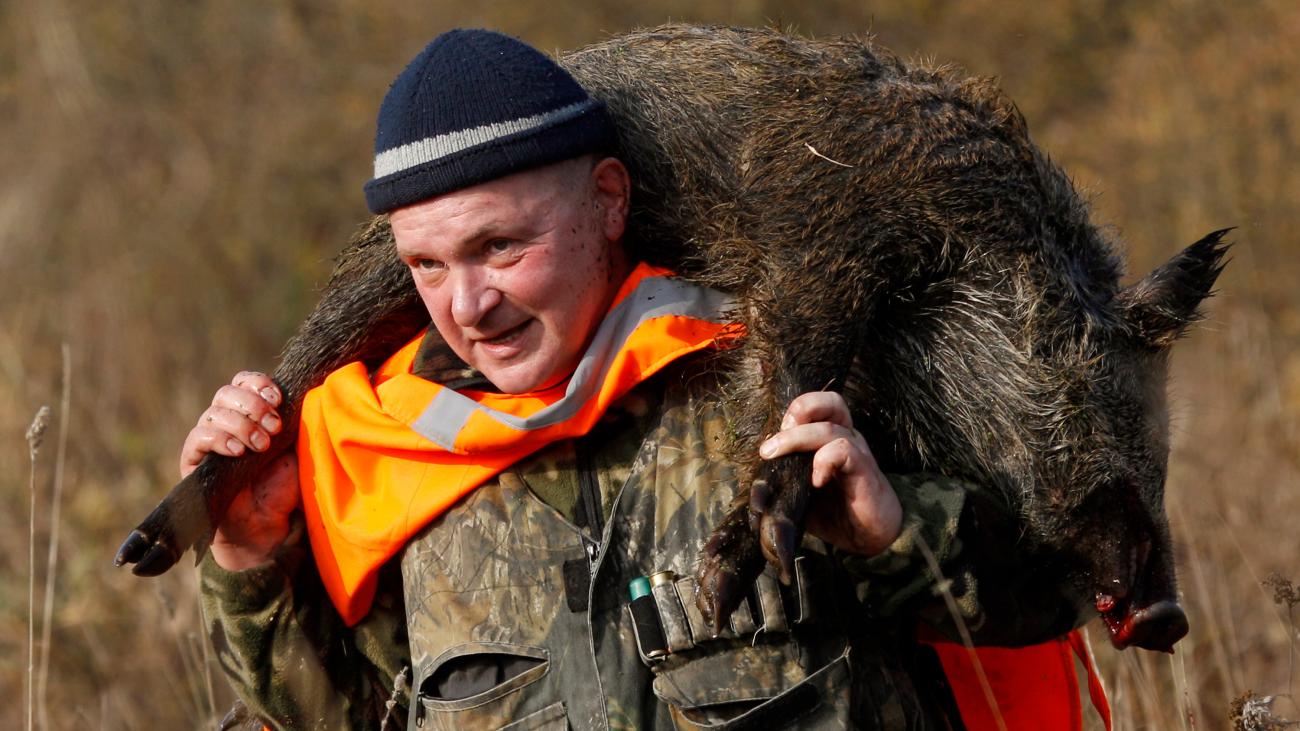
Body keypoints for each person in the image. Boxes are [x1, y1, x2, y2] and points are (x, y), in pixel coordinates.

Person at [191, 29, 1100, 730]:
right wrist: (251, 556)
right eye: (427, 265)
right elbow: (346, 715)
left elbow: (1053, 596)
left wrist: (894, 534)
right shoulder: (386, 449)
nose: (467, 305)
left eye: (500, 245)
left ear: (611, 198)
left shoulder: (792, 375)